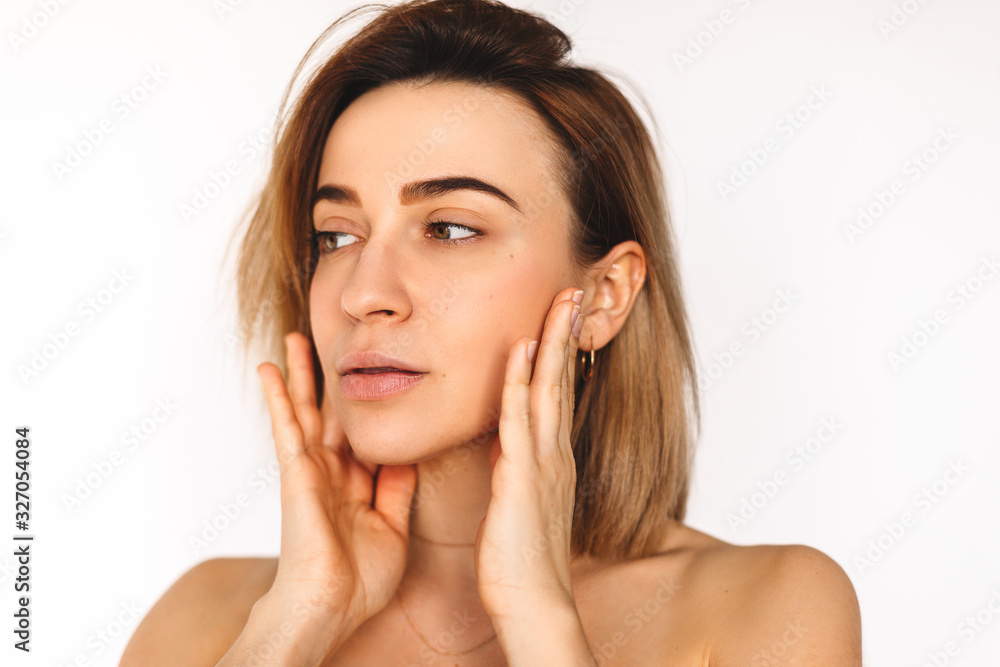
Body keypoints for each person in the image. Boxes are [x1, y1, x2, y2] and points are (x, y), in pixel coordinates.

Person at [121, 0, 862, 664]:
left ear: (604, 297)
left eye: (448, 228)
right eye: (336, 236)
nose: (364, 294)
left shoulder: (767, 605)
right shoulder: (208, 617)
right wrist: (298, 619)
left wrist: (538, 616)